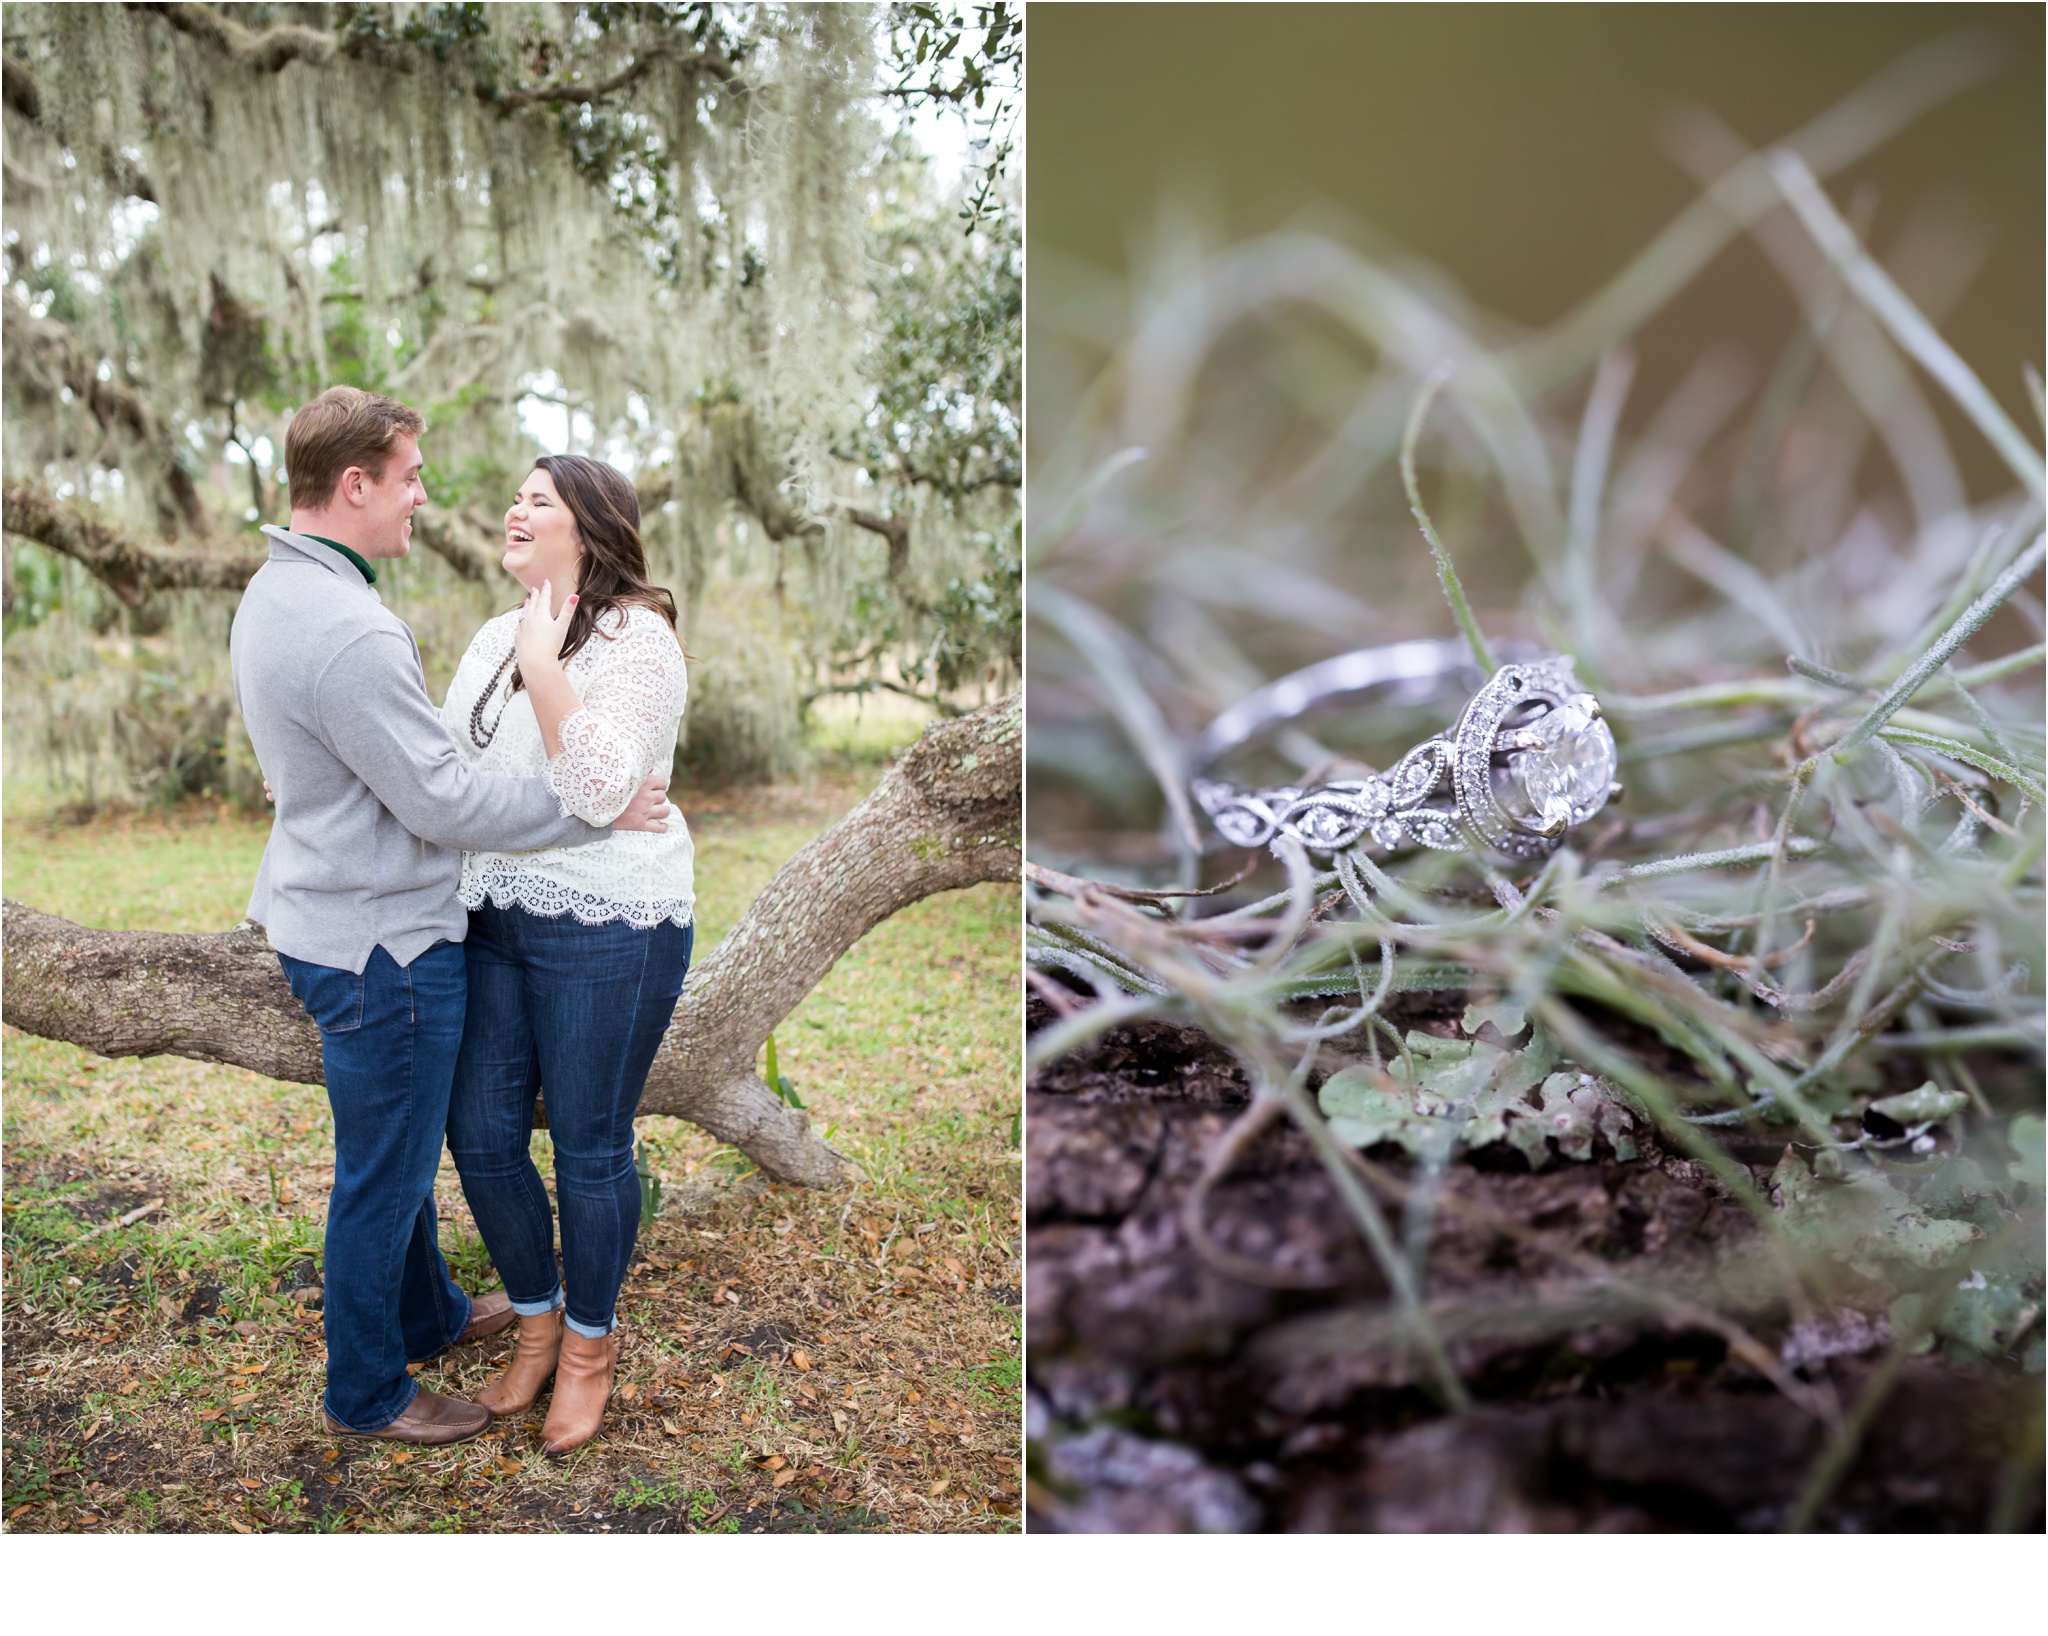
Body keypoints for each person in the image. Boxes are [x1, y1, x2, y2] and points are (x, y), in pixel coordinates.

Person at [230, 388, 674, 1448]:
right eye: (410, 477)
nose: (428, 498)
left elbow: (407, 762)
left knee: (461, 1148)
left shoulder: (277, 592)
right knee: (395, 1167)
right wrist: (589, 817)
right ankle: (371, 1389)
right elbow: (442, 792)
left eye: (537, 499)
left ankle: (471, 1319)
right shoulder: (360, 628)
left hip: (458, 920)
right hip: (384, 937)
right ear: (355, 485)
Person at [440, 455, 694, 1455]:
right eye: (515, 493)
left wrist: (547, 666)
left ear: (585, 529)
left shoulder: (641, 642)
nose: (513, 509)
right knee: (482, 1131)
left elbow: (597, 789)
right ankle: (536, 1321)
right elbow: (447, 776)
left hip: (611, 925)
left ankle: (589, 1347)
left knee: (589, 1148)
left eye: (536, 500)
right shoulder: (488, 637)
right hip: (493, 915)